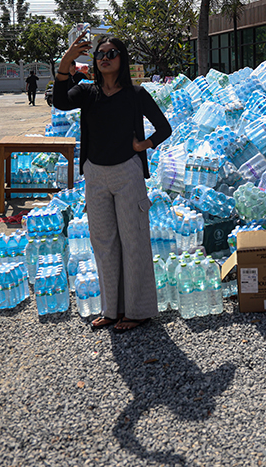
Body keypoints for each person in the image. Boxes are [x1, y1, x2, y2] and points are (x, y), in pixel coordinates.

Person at [52, 34, 172, 333]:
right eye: (100, 53)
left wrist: (143, 145)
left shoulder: (135, 94)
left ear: (123, 59)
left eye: (112, 53)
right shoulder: (87, 92)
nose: (104, 58)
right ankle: (112, 309)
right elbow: (60, 101)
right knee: (103, 244)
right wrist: (67, 59)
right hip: (95, 174)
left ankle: (138, 311)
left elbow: (164, 128)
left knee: (134, 242)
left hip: (127, 173)